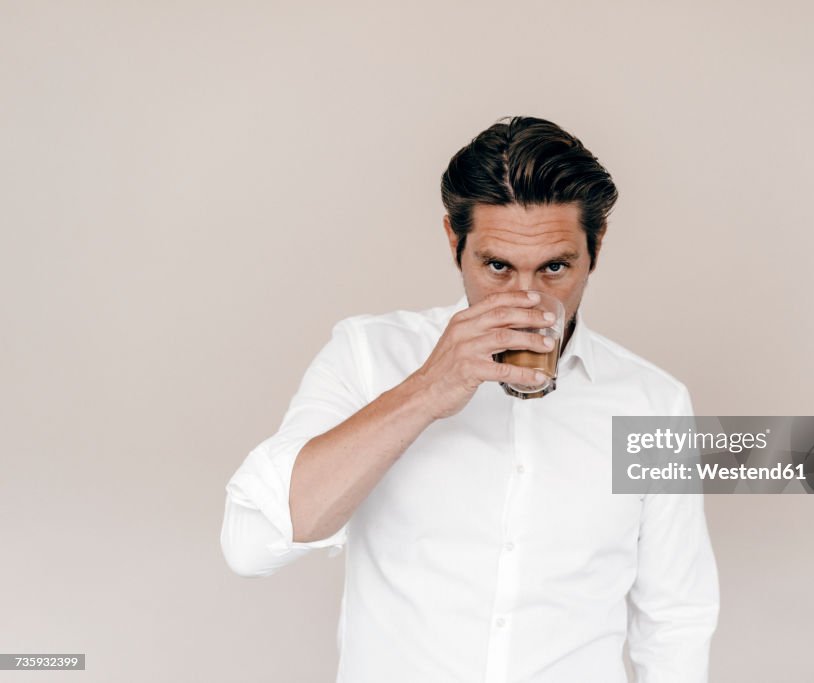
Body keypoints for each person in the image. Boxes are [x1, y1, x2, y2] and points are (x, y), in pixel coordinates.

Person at [220, 116, 719, 682]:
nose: (526, 298)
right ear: (455, 242)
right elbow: (251, 546)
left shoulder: (651, 401)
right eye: (497, 266)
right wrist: (428, 389)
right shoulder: (367, 354)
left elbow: (675, 615)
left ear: (595, 249)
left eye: (555, 267)